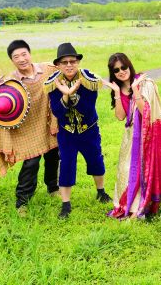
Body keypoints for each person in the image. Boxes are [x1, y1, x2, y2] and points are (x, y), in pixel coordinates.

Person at [0, 40, 60, 214]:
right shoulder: (10, 80)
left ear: (29, 54)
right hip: (27, 129)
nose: (21, 59)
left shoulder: (48, 69)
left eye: (23, 54)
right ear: (12, 60)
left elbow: (67, 71)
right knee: (31, 163)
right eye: (16, 57)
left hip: (48, 123)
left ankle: (53, 188)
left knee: (53, 156)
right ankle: (22, 201)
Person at [45, 42, 112, 218]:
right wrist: (65, 95)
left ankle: (101, 191)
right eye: (65, 62)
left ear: (78, 62)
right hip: (66, 132)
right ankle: (65, 204)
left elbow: (88, 109)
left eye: (72, 61)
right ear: (58, 65)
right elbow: (57, 112)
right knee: (66, 163)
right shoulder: (53, 83)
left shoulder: (89, 80)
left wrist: (72, 94)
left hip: (88, 130)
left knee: (96, 159)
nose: (69, 65)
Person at [103, 53, 161, 219]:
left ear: (129, 65)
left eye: (123, 67)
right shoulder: (119, 88)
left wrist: (135, 89)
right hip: (130, 136)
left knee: (142, 169)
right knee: (126, 170)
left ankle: (140, 206)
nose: (121, 71)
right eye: (116, 70)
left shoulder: (144, 82)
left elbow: (144, 111)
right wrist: (117, 92)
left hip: (147, 134)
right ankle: (127, 206)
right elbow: (120, 116)